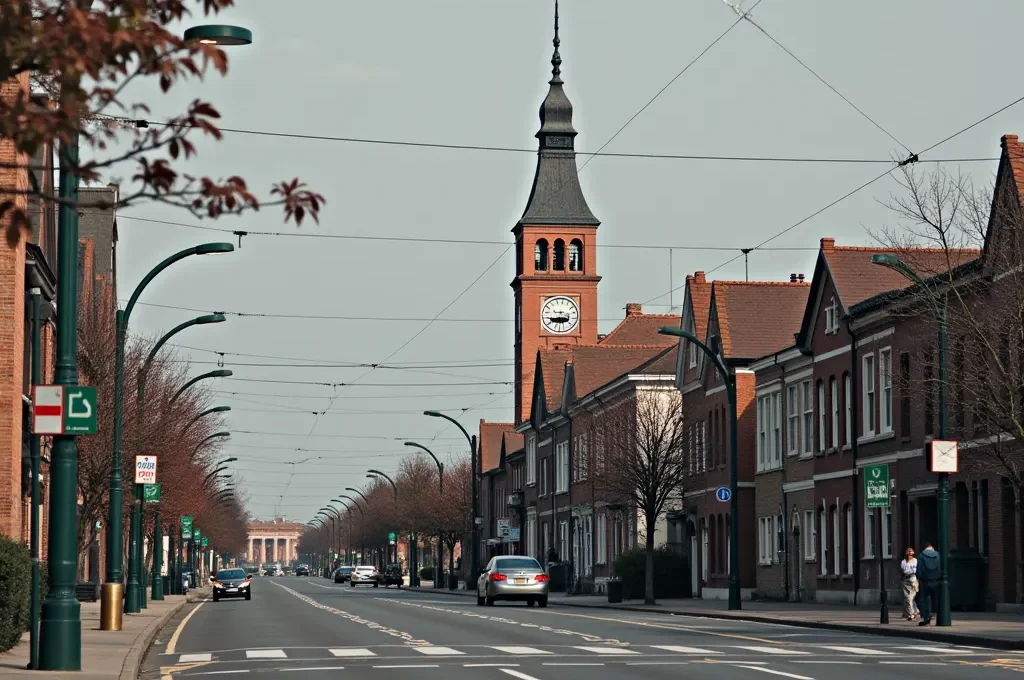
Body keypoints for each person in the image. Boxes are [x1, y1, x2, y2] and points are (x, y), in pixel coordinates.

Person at [916, 542, 941, 626]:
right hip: (937, 579)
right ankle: (938, 616)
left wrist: (918, 578)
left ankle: (926, 618)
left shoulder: (921, 556)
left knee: (924, 599)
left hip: (925, 581)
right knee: (937, 598)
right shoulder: (938, 555)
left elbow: (919, 570)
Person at [899, 547, 919, 620]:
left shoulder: (916, 561)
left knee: (910, 598)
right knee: (908, 598)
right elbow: (903, 571)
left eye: (911, 554)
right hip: (906, 581)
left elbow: (917, 570)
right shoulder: (903, 562)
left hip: (914, 580)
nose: (910, 556)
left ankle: (912, 613)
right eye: (909, 554)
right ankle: (914, 612)